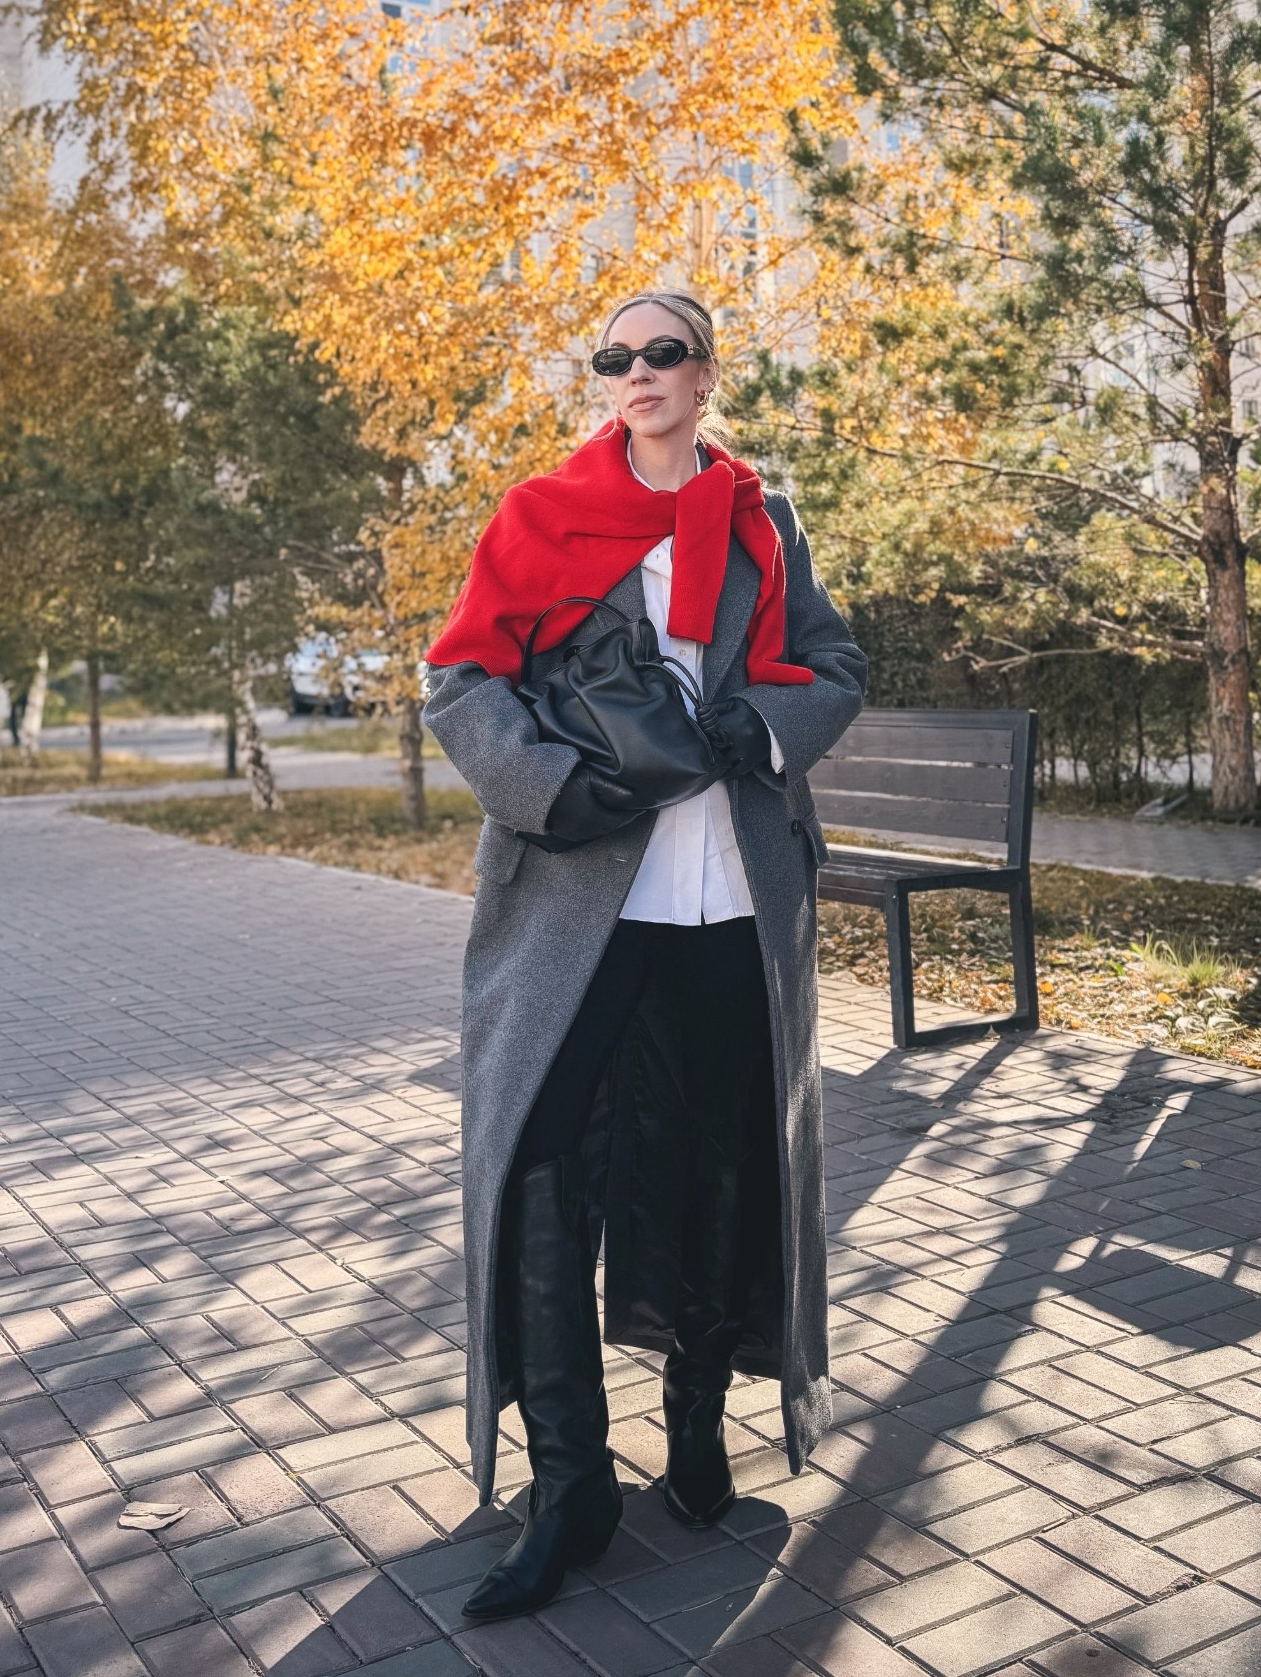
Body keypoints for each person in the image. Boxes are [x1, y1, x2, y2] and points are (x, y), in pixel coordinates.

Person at [422, 289, 867, 1622]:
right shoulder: (541, 517)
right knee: (549, 1160)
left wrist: (764, 729)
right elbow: (461, 683)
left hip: (730, 893)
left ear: (705, 372)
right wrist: (551, 786)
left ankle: (694, 1440)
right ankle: (571, 1486)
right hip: (581, 897)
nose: (636, 373)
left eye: (661, 352)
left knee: (724, 1160)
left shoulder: (760, 517)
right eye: (613, 358)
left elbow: (836, 662)